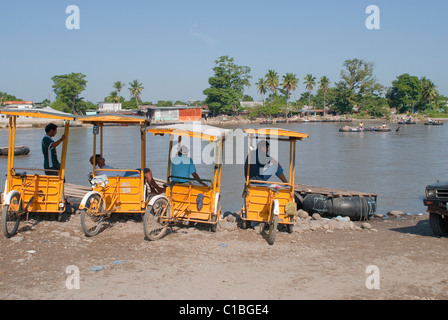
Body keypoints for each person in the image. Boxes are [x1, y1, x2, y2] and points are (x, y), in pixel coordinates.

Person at [89, 154, 164, 194]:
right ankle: (158, 189)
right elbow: (99, 160)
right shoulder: (98, 168)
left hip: (123, 173)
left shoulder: (101, 167)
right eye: (100, 159)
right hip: (123, 176)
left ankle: (154, 190)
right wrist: (96, 158)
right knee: (146, 172)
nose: (103, 160)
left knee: (146, 170)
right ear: (97, 161)